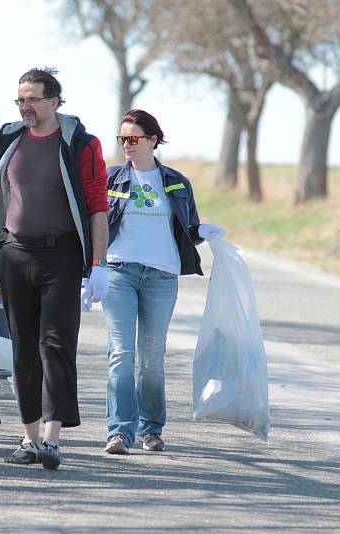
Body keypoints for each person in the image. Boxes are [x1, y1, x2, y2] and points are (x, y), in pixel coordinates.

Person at [0, 67, 109, 470]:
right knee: (23, 349)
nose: (25, 107)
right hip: (14, 254)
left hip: (61, 257)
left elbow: (97, 207)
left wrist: (98, 265)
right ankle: (28, 439)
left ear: (54, 102)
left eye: (33, 100)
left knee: (56, 346)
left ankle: (52, 440)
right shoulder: (8, 138)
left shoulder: (81, 144)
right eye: (20, 100)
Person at [98, 109, 225, 455]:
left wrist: (205, 232)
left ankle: (151, 429)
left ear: (153, 140)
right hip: (118, 272)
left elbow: (189, 228)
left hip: (161, 276)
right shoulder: (110, 179)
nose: (126, 145)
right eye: (122, 138)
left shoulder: (176, 182)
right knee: (121, 353)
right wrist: (90, 269)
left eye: (133, 138)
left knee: (151, 357)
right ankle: (119, 432)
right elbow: (94, 226)